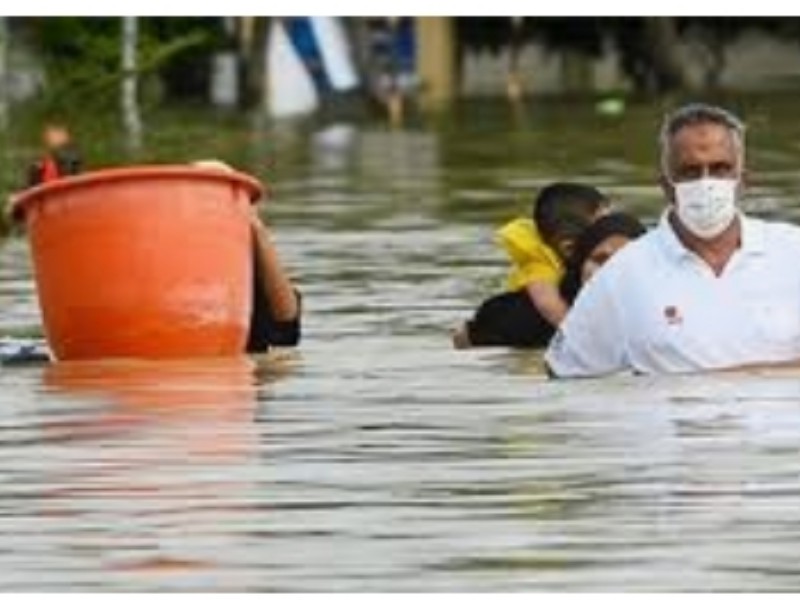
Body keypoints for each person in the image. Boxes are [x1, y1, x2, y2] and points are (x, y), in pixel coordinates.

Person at [545, 102, 800, 378]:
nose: (706, 183)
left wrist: (749, 378)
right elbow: (565, 377)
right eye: (690, 171)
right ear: (666, 186)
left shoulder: (792, 252)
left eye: (720, 168)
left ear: (744, 181)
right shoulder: (622, 275)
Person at [455, 212, 646, 349]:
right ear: (579, 266)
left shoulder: (667, 312)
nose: (611, 271)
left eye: (625, 260)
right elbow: (464, 340)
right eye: (600, 260)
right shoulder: (522, 315)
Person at [497, 182, 611, 328]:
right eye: (603, 229)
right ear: (568, 248)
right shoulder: (540, 266)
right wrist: (582, 334)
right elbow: (547, 304)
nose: (613, 230)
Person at [26, 122, 82, 187]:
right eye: (54, 134)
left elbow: (72, 174)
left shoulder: (72, 155)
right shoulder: (39, 164)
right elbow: (31, 187)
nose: (57, 137)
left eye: (59, 134)